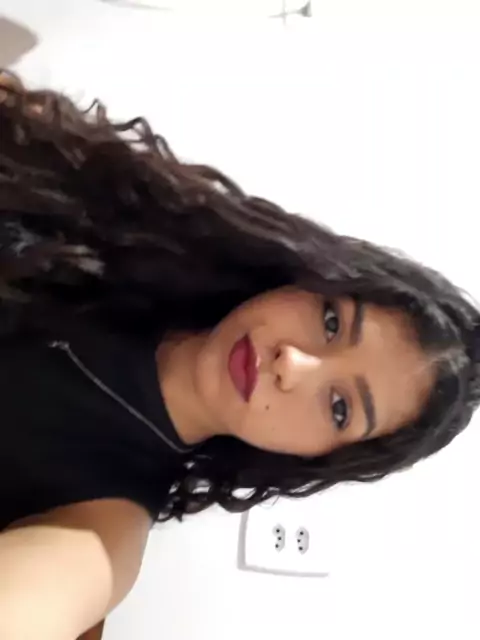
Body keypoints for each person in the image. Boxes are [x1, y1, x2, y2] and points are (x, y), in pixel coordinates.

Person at [0, 70, 478, 640]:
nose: (292, 363)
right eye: (331, 322)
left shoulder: (102, 529)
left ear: (319, 455)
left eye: (340, 407)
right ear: (310, 280)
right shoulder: (115, 212)